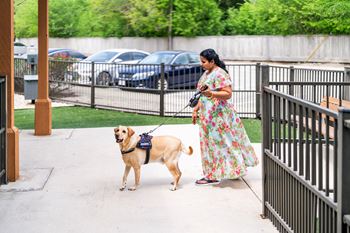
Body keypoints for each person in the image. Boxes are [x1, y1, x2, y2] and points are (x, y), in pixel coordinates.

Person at [192, 48, 259, 185]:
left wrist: (211, 94)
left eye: (204, 61)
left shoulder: (220, 74)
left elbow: (228, 93)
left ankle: (215, 174)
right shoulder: (206, 73)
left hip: (219, 117)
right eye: (201, 61)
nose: (201, 64)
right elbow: (202, 94)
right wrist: (196, 109)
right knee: (210, 145)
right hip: (207, 116)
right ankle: (226, 171)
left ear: (212, 61)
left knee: (223, 144)